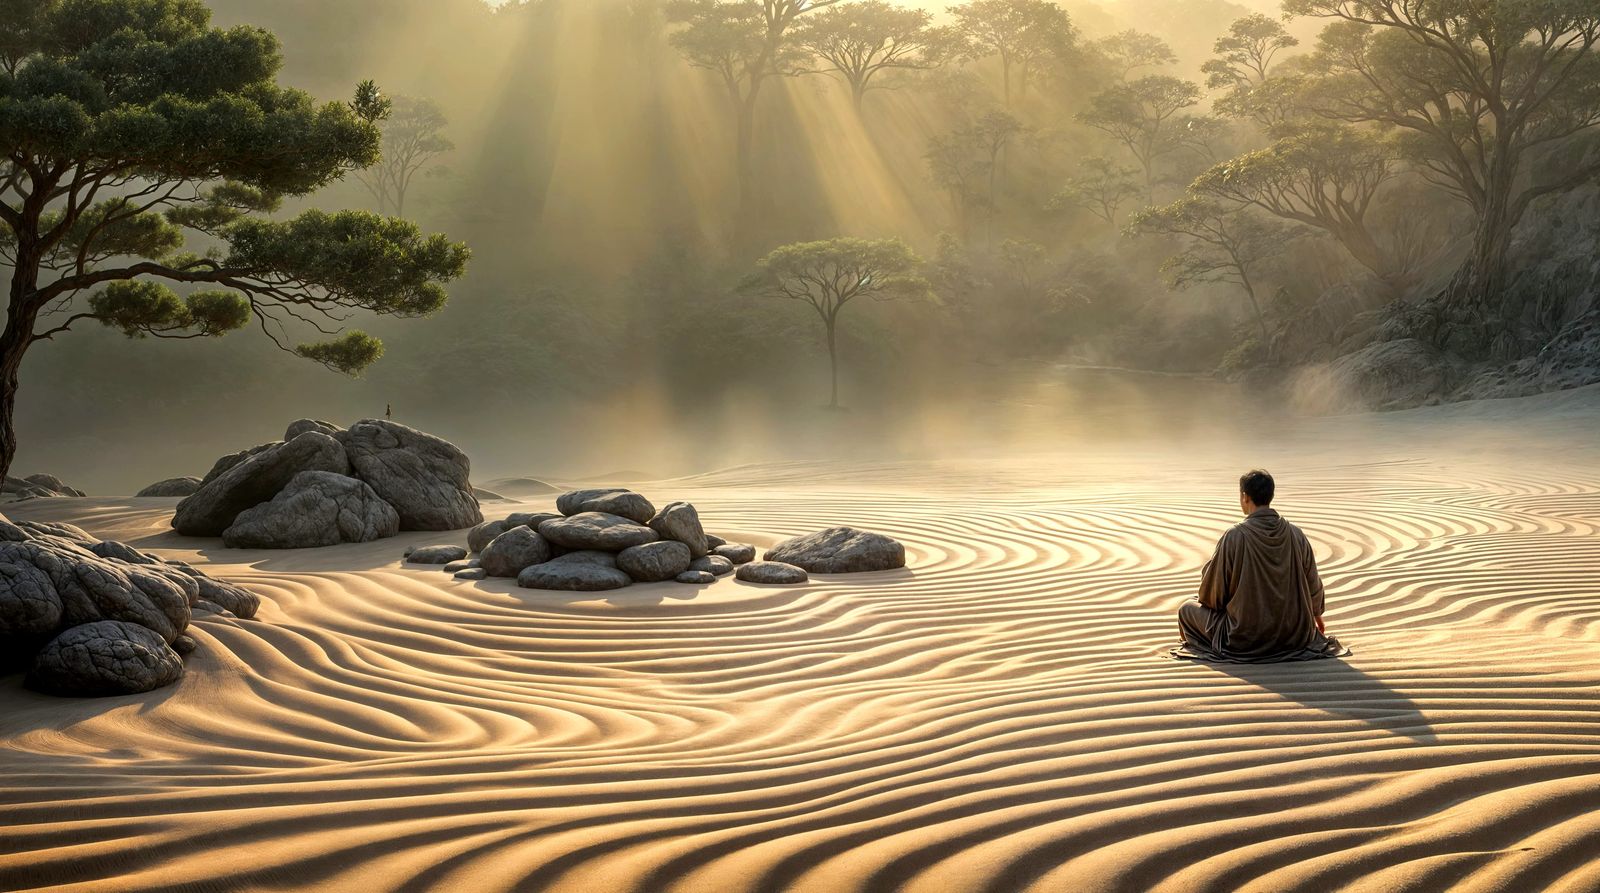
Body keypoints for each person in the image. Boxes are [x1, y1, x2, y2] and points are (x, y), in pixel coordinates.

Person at [1174, 470, 1345, 662]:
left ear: (1245, 497)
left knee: (1186, 608)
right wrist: (1316, 615)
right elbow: (1312, 581)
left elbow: (1213, 598)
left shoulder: (1234, 536)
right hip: (1295, 636)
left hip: (1244, 638)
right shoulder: (1295, 533)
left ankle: (1207, 645)